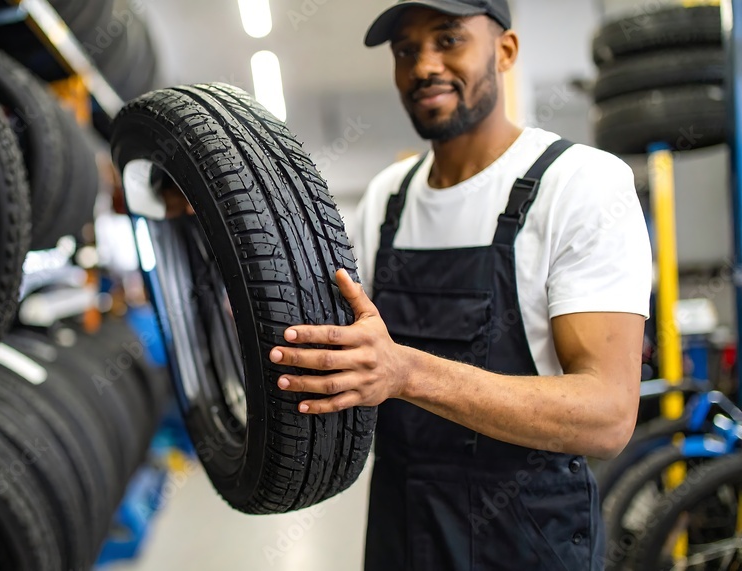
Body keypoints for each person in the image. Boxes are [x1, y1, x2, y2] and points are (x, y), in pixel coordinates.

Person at [266, 1, 652, 569]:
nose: (424, 65)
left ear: (505, 51)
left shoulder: (582, 185)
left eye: (448, 40)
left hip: (527, 542)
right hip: (401, 533)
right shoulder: (387, 198)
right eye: (405, 51)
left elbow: (608, 414)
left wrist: (406, 372)